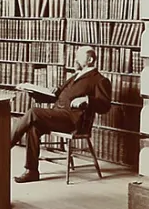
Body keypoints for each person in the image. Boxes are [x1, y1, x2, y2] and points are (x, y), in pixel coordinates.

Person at [10, 45, 112, 183]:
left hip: (72, 121)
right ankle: (31, 171)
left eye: (79, 57)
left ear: (90, 59)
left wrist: (88, 99)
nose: (75, 59)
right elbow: (54, 97)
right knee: (33, 127)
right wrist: (33, 91)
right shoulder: (74, 76)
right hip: (57, 115)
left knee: (33, 112)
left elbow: (105, 105)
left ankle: (5, 145)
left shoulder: (100, 80)